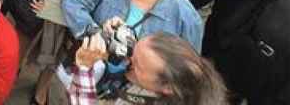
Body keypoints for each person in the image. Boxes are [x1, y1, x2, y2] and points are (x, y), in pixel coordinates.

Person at [60, 0, 204, 100]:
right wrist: (93, 31)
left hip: (137, 88)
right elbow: (72, 1)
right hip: (92, 65)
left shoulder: (186, 17)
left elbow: (186, 71)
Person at [66, 33, 227, 104]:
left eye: (136, 65)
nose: (126, 61)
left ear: (167, 87)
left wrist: (84, 68)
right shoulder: (185, 89)